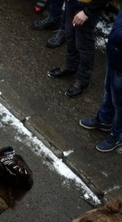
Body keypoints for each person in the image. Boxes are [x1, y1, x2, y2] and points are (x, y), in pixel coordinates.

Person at [79, 9, 122, 152]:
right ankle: (104, 119)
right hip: (114, 53)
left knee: (120, 103)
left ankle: (117, 135)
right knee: (108, 90)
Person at [47, 0, 108, 98]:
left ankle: (82, 80)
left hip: (87, 6)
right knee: (70, 35)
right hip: (72, 3)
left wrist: (87, 12)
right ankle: (70, 66)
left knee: (84, 44)